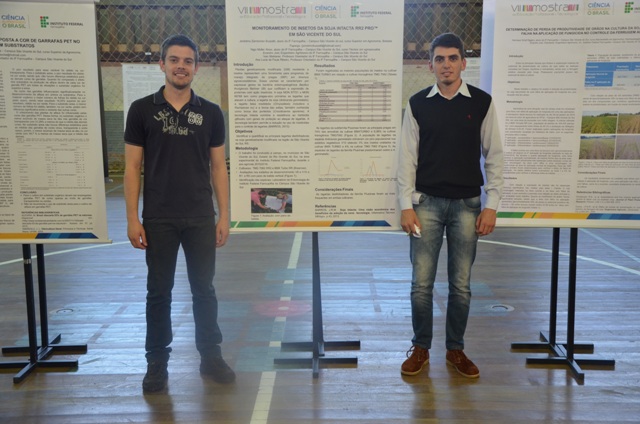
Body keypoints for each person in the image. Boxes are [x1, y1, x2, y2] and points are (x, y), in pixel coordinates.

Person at [124, 34, 235, 393]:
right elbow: (132, 168)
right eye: (174, 60)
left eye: (188, 61)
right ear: (162, 64)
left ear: (196, 68)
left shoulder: (211, 113)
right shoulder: (141, 110)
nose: (181, 66)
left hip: (200, 216)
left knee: (204, 290)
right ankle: (157, 361)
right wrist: (132, 218)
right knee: (159, 292)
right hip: (159, 218)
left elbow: (218, 168)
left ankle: (211, 355)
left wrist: (223, 215)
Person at [396, 33, 504, 378]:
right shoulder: (417, 104)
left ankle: (455, 349)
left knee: (461, 285)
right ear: (430, 65)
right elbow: (407, 159)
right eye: (439, 59)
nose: (446, 65)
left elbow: (495, 156)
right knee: (421, 284)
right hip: (425, 205)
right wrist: (405, 204)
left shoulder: (481, 103)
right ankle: (421, 347)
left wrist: (491, 205)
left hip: (467, 206)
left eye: (452, 58)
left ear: (463, 63)